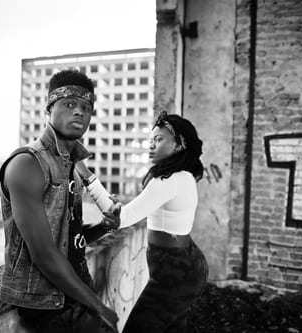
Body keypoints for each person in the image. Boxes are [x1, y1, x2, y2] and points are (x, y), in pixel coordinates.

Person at [0, 69, 118, 333]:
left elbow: (69, 240)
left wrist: (104, 227)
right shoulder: (27, 164)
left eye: (86, 107)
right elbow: (43, 254)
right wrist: (98, 306)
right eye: (69, 104)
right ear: (49, 108)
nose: (79, 112)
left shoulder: (71, 166)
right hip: (46, 306)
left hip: (75, 294)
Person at [76, 111, 209, 333]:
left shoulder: (167, 181)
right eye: (151, 140)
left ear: (179, 146)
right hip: (188, 264)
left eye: (159, 140)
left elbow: (122, 219)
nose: (151, 145)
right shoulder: (184, 176)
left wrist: (84, 172)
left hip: (174, 274)